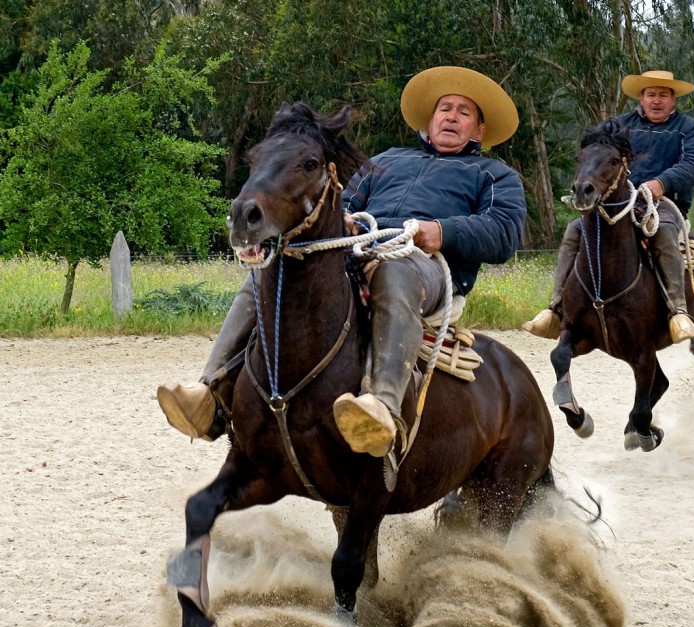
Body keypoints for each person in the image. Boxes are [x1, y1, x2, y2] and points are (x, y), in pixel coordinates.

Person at [157, 66, 526, 459]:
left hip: (426, 265)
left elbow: (503, 232)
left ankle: (382, 405)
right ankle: (211, 392)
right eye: (445, 108)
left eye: (464, 111)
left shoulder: (495, 176)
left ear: (480, 130)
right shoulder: (388, 160)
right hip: (354, 248)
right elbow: (341, 200)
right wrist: (343, 219)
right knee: (268, 274)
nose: (451, 116)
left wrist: (441, 231)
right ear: (431, 120)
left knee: (393, 275)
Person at [523, 69, 694, 343]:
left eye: (663, 95)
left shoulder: (687, 128)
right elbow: (597, 155)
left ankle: (677, 310)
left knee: (664, 232)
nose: (657, 101)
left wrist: (662, 183)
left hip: (664, 203)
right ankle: (555, 308)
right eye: (651, 94)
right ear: (641, 98)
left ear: (673, 100)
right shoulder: (621, 125)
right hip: (618, 200)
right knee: (575, 230)